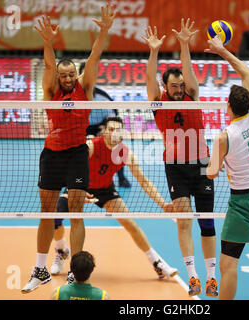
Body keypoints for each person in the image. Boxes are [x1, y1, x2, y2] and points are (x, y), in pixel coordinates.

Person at [21, 5, 116, 293]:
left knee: (76, 212)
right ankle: (40, 269)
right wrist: (48, 43)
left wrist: (104, 31)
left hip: (76, 154)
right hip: (52, 155)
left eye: (71, 73)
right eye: (64, 75)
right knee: (46, 212)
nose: (68, 78)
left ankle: (75, 270)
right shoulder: (51, 91)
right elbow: (49, 66)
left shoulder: (84, 88)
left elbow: (95, 56)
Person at [143, 19, 218, 297]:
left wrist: (185, 44)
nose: (178, 88)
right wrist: (154, 51)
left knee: (207, 223)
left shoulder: (193, 95)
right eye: (173, 85)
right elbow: (150, 78)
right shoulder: (158, 101)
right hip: (175, 169)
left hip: (201, 166)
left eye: (180, 84)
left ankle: (211, 277)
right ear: (165, 87)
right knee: (184, 222)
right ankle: (193, 276)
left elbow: (188, 70)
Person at [51, 117, 178, 281]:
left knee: (129, 223)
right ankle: (62, 251)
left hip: (105, 190)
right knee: (55, 218)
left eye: (117, 129)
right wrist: (79, 190)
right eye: (110, 129)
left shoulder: (126, 154)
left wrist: (162, 204)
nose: (113, 133)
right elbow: (70, 170)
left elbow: (144, 182)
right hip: (81, 186)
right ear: (104, 131)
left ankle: (156, 263)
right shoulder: (90, 146)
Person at [205, 34, 249, 300]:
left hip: (242, 204)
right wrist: (223, 51)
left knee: (228, 265)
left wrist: (217, 160)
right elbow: (246, 72)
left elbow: (211, 172)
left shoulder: (224, 137)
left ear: (228, 107)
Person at [78, 62, 131, 188]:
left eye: (91, 74)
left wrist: (105, 128)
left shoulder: (103, 97)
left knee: (115, 142)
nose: (88, 77)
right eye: (85, 74)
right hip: (79, 128)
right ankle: (71, 178)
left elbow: (113, 116)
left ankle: (121, 178)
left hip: (99, 127)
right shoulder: (73, 96)